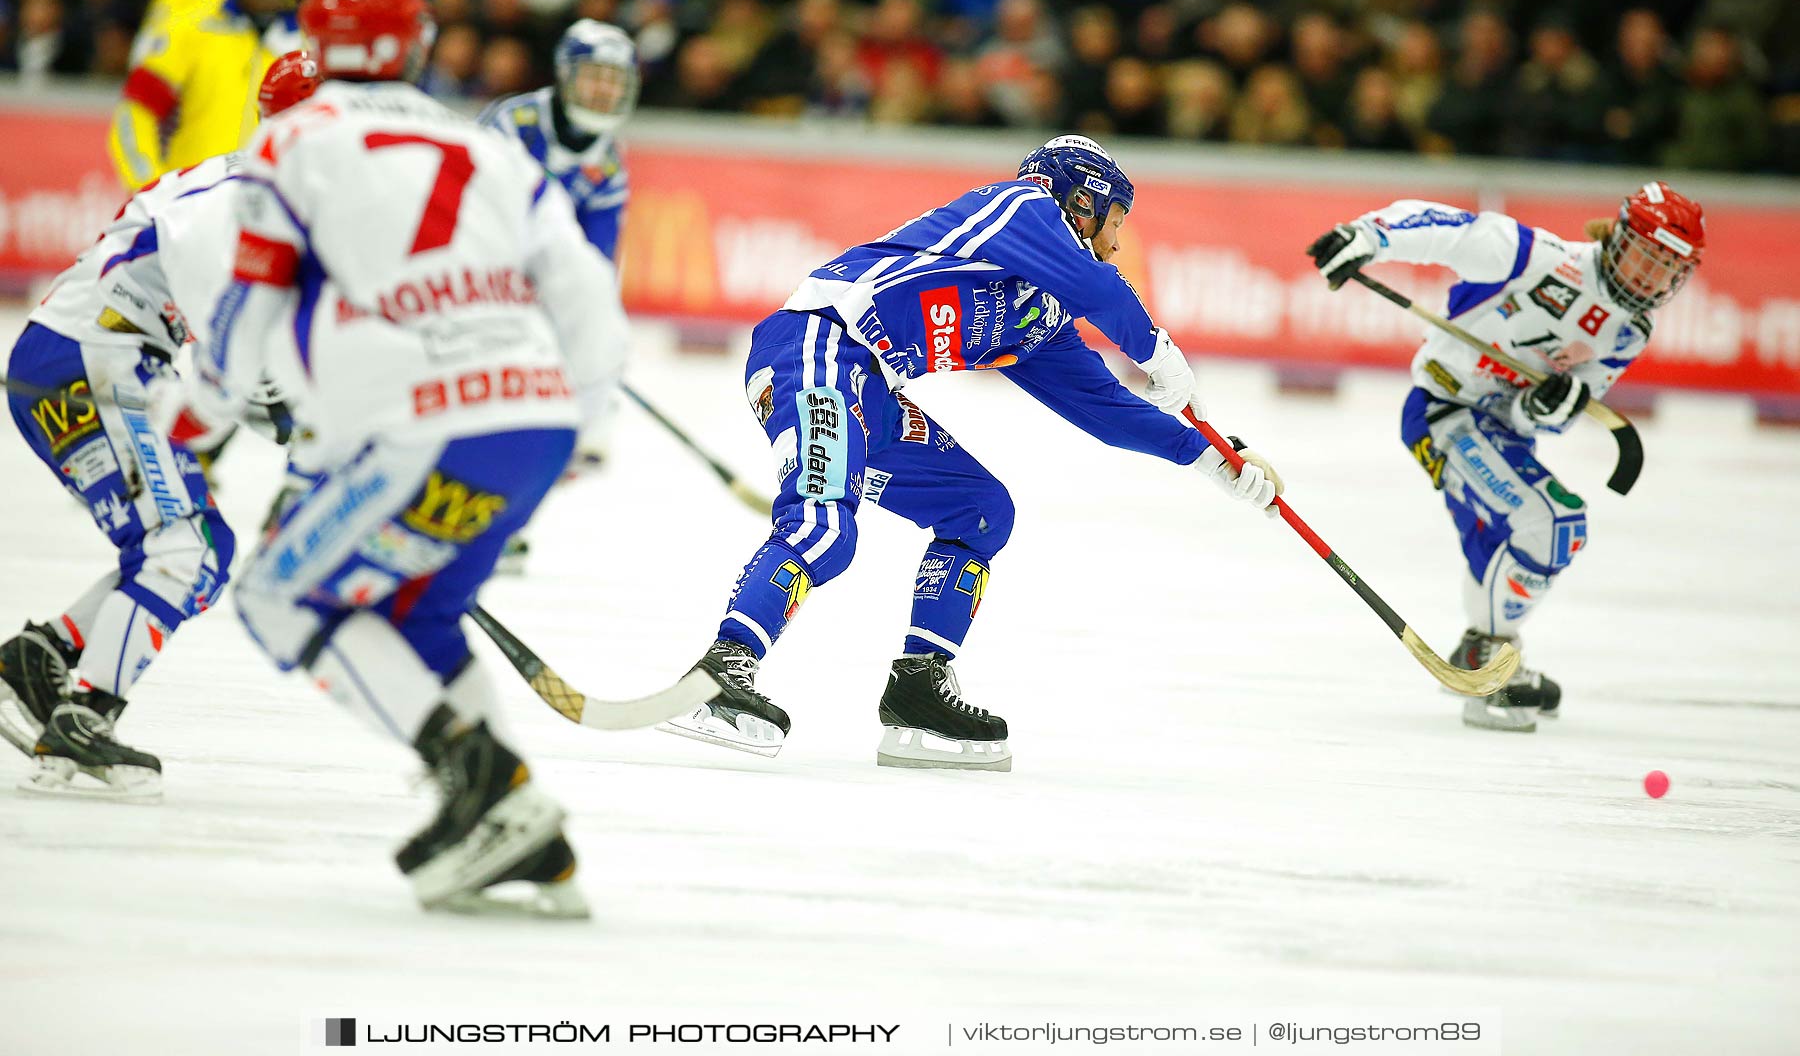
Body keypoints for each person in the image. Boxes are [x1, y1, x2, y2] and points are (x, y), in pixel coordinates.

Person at [163, 0, 628, 916]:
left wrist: (196, 416)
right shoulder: (483, 145)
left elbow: (251, 301)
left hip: (427, 422)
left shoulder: (292, 139)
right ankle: (528, 836)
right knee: (416, 619)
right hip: (530, 422)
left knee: (275, 597)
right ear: (415, 45)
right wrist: (590, 420)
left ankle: (484, 789)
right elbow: (583, 286)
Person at [661, 135, 1285, 770]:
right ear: (1081, 203)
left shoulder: (1037, 315)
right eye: (1115, 222)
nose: (1118, 244)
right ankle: (721, 674)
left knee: (978, 510)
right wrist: (1155, 351)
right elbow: (1099, 286)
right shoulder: (1021, 205)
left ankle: (918, 690)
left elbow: (1109, 413)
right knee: (826, 527)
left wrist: (1215, 460)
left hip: (869, 384)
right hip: (817, 348)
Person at [0, 53, 320, 799]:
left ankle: (42, 655)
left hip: (105, 363)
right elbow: (233, 340)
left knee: (200, 544)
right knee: (179, 546)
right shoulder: (236, 201)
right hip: (89, 364)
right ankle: (84, 720)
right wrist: (290, 410)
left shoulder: (271, 200)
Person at [1305, 183, 1706, 732]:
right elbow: (1448, 231)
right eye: (1646, 256)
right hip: (1444, 411)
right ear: (1617, 236)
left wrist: (1551, 407)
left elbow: (1557, 414)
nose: (1649, 278)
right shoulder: (1537, 258)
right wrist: (1369, 237)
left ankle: (1486, 651)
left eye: (1668, 268)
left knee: (1522, 538)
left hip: (1501, 433)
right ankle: (1490, 655)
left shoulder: (1630, 330)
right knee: (1553, 524)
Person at [479, 19, 636, 486]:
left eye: (616, 81)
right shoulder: (512, 125)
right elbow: (472, 209)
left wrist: (583, 331)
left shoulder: (608, 165)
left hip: (537, 288)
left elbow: (596, 267)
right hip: (476, 277)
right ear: (566, 75)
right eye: (595, 76)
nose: (605, 91)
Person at [108, 0, 302, 190]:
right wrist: (150, 189)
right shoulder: (189, 28)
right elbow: (134, 112)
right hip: (192, 206)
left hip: (273, 211)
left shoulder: (308, 45)